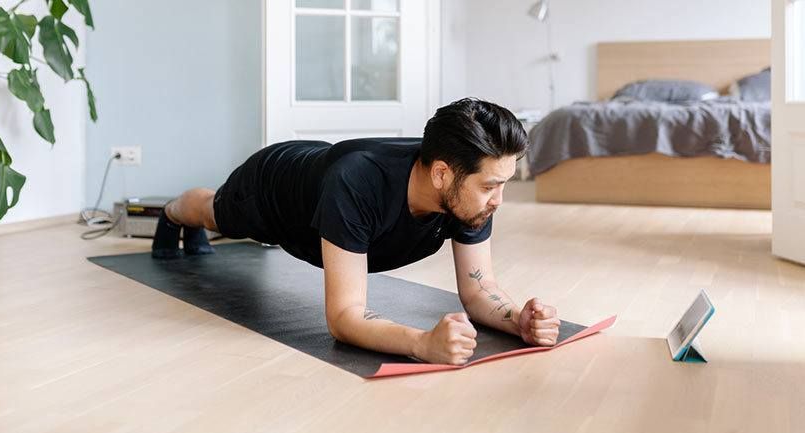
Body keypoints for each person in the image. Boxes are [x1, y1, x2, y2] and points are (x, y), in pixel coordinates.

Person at [152, 98, 562, 365]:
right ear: (441, 174)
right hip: (270, 187)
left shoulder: (466, 189)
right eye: (491, 186)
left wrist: (517, 320)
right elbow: (344, 318)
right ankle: (171, 212)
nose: (499, 201)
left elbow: (478, 288)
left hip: (322, 172)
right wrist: (423, 343)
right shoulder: (359, 183)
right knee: (214, 214)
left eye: (504, 184)